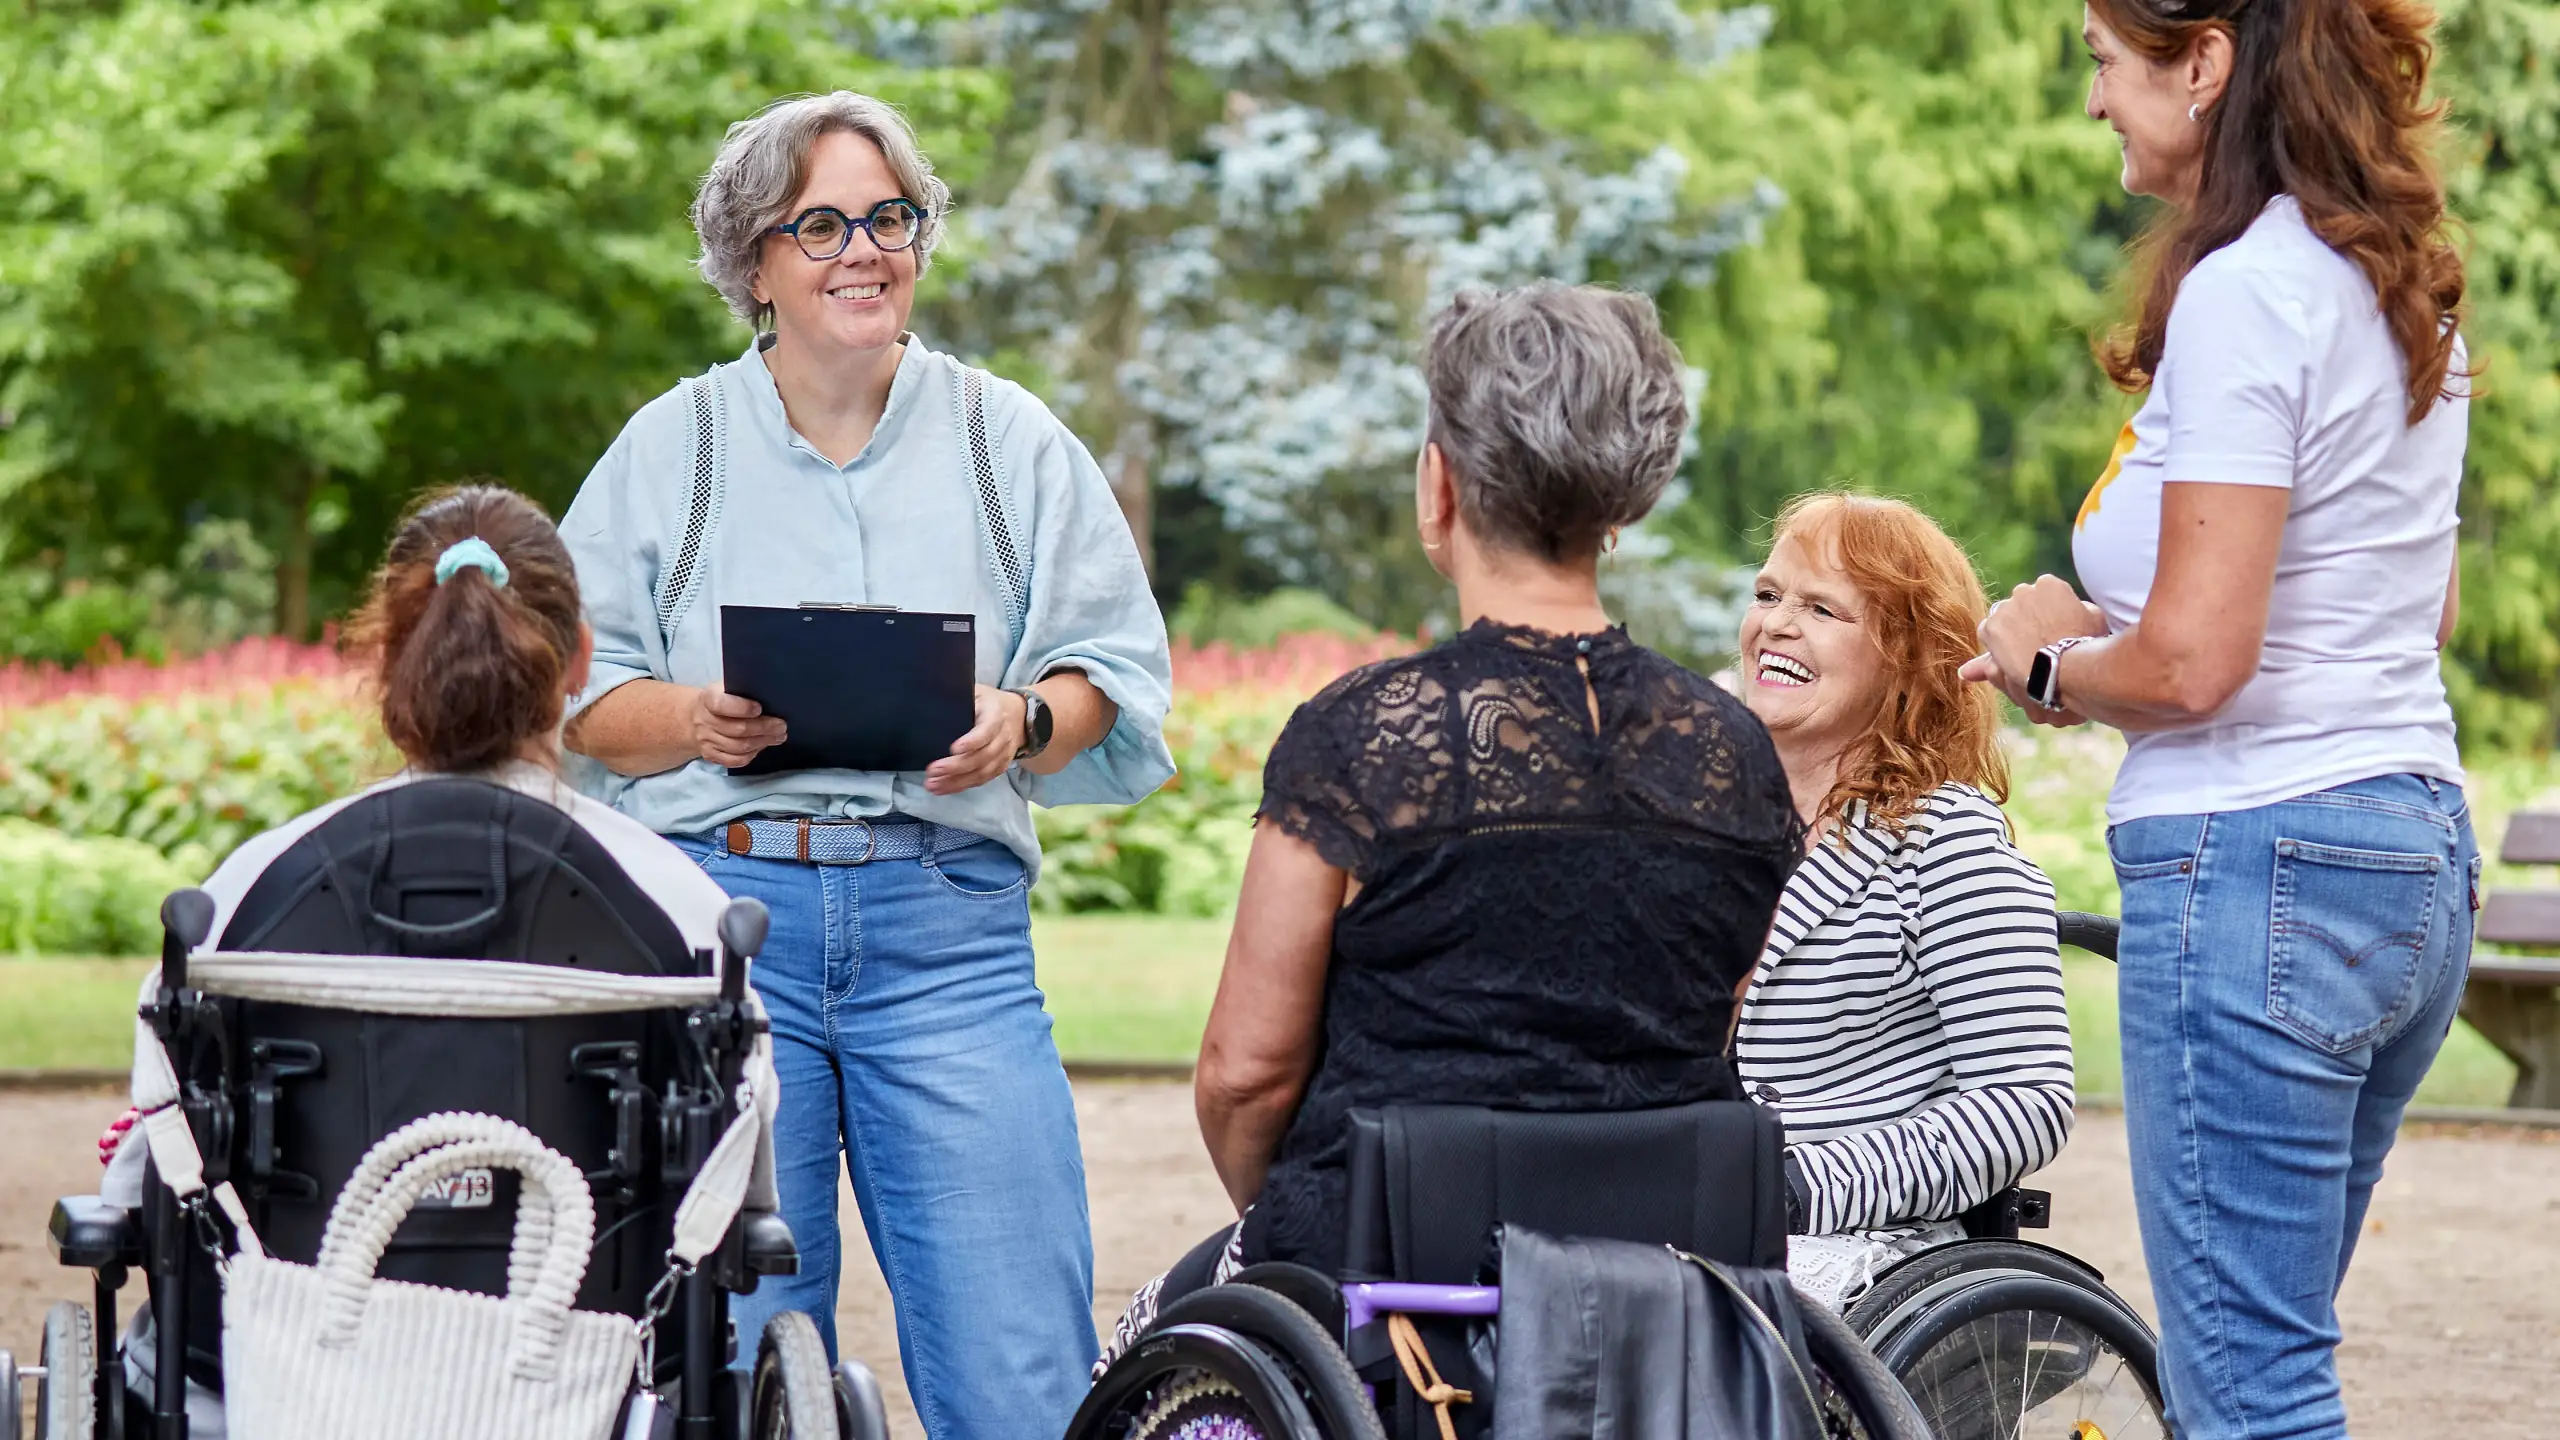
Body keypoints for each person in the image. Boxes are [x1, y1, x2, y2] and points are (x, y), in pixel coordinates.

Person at [556, 90, 1175, 1436]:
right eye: (823, 223)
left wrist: (1022, 721)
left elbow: (1118, 680)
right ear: (754, 263)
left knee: (1018, 1370)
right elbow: (572, 696)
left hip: (948, 943)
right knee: (729, 1364)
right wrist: (692, 720)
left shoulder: (1008, 441)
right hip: (724, 935)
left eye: (890, 217)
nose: (865, 249)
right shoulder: (676, 447)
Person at [1099, 281, 1803, 1363]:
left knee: (1134, 1354)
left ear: (1440, 485)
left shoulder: (1363, 737)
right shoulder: (1734, 753)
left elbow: (1245, 1073)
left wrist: (1294, 1231)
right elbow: (1704, 1024)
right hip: (1653, 1280)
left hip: (1391, 1272)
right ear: (1627, 497)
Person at [1963, 1, 2475, 1434]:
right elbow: (2414, 616)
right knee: (2267, 1363)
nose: (2094, 102)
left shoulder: (2251, 289)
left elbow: (2195, 666)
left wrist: (2052, 661)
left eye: (2104, 63)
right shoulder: (2396, 283)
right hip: (2407, 848)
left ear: (2204, 65)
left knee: (2246, 1398)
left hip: (2262, 868)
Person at [100, 484, 737, 1437]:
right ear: (579, 666)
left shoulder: (243, 892)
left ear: (388, 662)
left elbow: (150, 1170)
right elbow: (736, 1182)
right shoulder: (681, 905)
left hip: (290, 1379)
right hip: (586, 1380)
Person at [1730, 493, 2075, 1311]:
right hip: (1687, 1209)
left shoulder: (1942, 839)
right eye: (1768, 595)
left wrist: (1796, 1187)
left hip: (1855, 1247)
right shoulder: (1706, 818)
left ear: (1907, 657)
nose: (1776, 624)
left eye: (1821, 608)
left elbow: (2026, 1100)